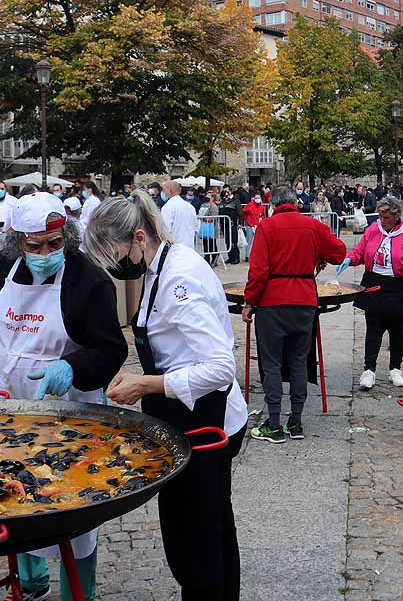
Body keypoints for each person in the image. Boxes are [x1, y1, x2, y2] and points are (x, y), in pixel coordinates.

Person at [0, 193, 127, 601]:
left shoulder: (88, 280)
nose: (45, 253)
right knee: (11, 485)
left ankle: (79, 590)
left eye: (55, 244)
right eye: (35, 246)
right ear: (16, 243)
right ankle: (30, 577)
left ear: (67, 237)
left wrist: (72, 367)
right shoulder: (3, 268)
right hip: (15, 405)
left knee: (75, 501)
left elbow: (112, 350)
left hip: (73, 409)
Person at [85, 194, 247, 601]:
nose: (117, 265)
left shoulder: (179, 278)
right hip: (183, 420)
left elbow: (219, 366)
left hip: (205, 424)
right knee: (209, 529)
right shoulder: (161, 266)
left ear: (140, 237)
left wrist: (146, 384)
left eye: (117, 253)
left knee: (198, 538)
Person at [241, 185, 347, 442]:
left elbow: (258, 272)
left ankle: (274, 424)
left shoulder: (266, 227)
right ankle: (296, 422)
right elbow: (340, 252)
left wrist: (249, 302)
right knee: (299, 362)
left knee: (272, 364)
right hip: (304, 300)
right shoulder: (313, 226)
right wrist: (319, 253)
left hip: (272, 302)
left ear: (274, 204)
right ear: (296, 203)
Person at [338, 195, 403, 390]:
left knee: (398, 330)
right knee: (374, 329)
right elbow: (360, 252)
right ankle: (369, 370)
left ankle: (395, 369)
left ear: (397, 216)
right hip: (375, 285)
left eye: (387, 217)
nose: (383, 220)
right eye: (381, 216)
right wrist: (349, 259)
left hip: (401, 287)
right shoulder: (373, 230)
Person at [159, 180, 197, 250]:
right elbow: (195, 227)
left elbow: (165, 230)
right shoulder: (190, 207)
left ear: (170, 191)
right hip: (189, 248)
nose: (163, 192)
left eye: (164, 190)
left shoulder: (168, 207)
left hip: (175, 249)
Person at [197, 189, 221, 267]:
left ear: (212, 197)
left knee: (212, 243)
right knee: (205, 243)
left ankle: (214, 257)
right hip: (204, 226)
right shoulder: (203, 205)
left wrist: (207, 218)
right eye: (207, 195)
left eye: (209, 195)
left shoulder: (214, 206)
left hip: (211, 227)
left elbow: (214, 217)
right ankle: (206, 258)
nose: (207, 196)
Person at [219, 188, 241, 264]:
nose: (226, 194)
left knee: (233, 241)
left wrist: (239, 223)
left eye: (227, 192)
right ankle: (230, 257)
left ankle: (236, 257)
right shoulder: (222, 202)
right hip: (224, 225)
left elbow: (240, 213)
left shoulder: (235, 201)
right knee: (227, 241)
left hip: (232, 224)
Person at [241, 192, 264, 262]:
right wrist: (246, 219)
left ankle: (257, 256)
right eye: (256, 198)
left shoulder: (262, 207)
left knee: (258, 241)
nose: (257, 199)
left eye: (258, 198)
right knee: (249, 240)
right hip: (250, 225)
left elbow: (262, 215)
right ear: (253, 198)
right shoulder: (250, 205)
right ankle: (247, 256)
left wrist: (261, 219)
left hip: (258, 225)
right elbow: (243, 211)